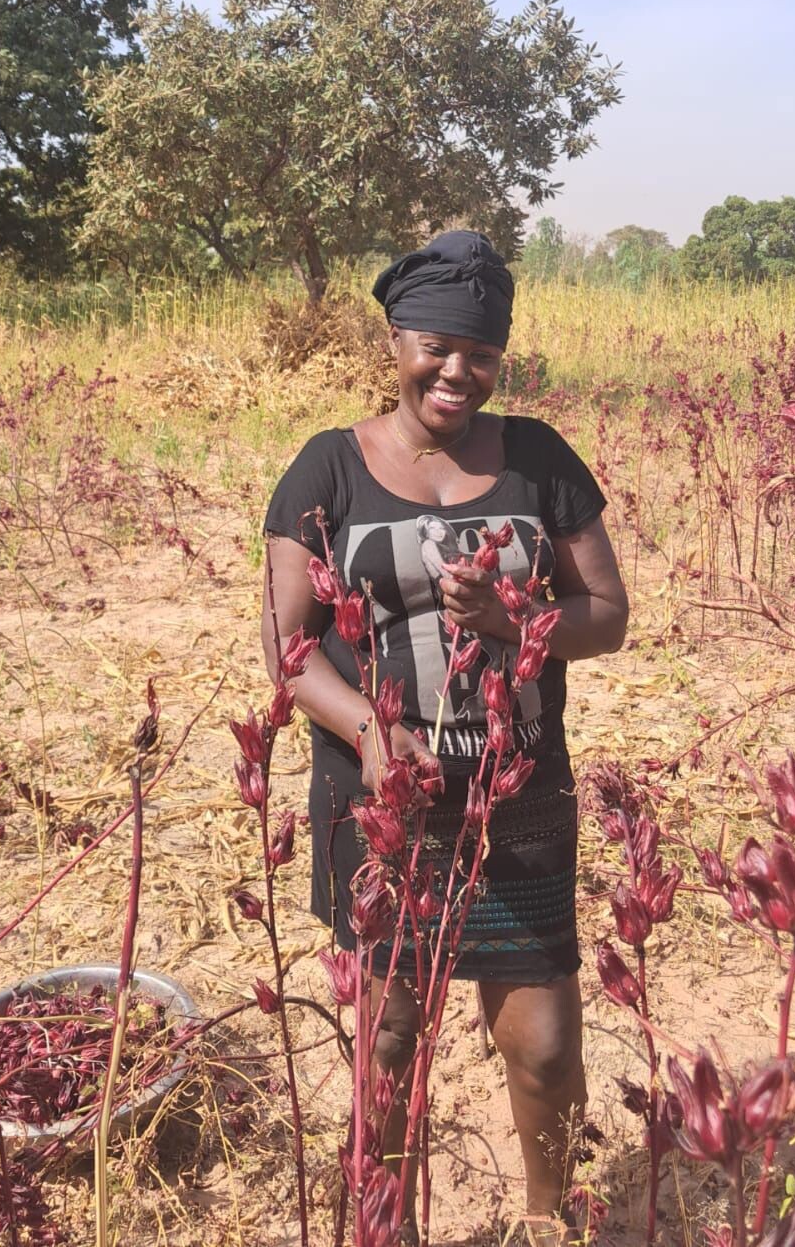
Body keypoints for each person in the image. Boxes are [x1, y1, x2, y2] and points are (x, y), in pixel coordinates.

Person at [261, 230, 628, 1246]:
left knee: (544, 1046)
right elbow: (288, 651)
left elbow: (606, 615)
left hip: (518, 797)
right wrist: (371, 732)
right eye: (436, 347)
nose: (456, 372)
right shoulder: (326, 468)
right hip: (381, 804)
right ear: (394, 342)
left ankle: (550, 1225)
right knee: (388, 1041)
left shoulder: (538, 458)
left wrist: (513, 619)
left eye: (480, 354)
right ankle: (390, 1230)